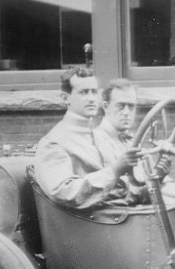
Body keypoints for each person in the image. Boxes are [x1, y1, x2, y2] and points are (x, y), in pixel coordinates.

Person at [33, 67, 140, 210]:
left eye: (94, 92)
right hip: (90, 225)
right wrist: (114, 171)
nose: (91, 98)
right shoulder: (53, 143)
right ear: (66, 98)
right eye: (83, 92)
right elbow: (64, 193)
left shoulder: (99, 135)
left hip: (117, 216)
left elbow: (120, 187)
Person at [95, 78, 175, 203]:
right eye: (120, 106)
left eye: (131, 106)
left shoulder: (132, 142)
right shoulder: (94, 142)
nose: (126, 112)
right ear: (106, 107)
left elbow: (163, 188)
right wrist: (154, 182)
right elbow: (111, 197)